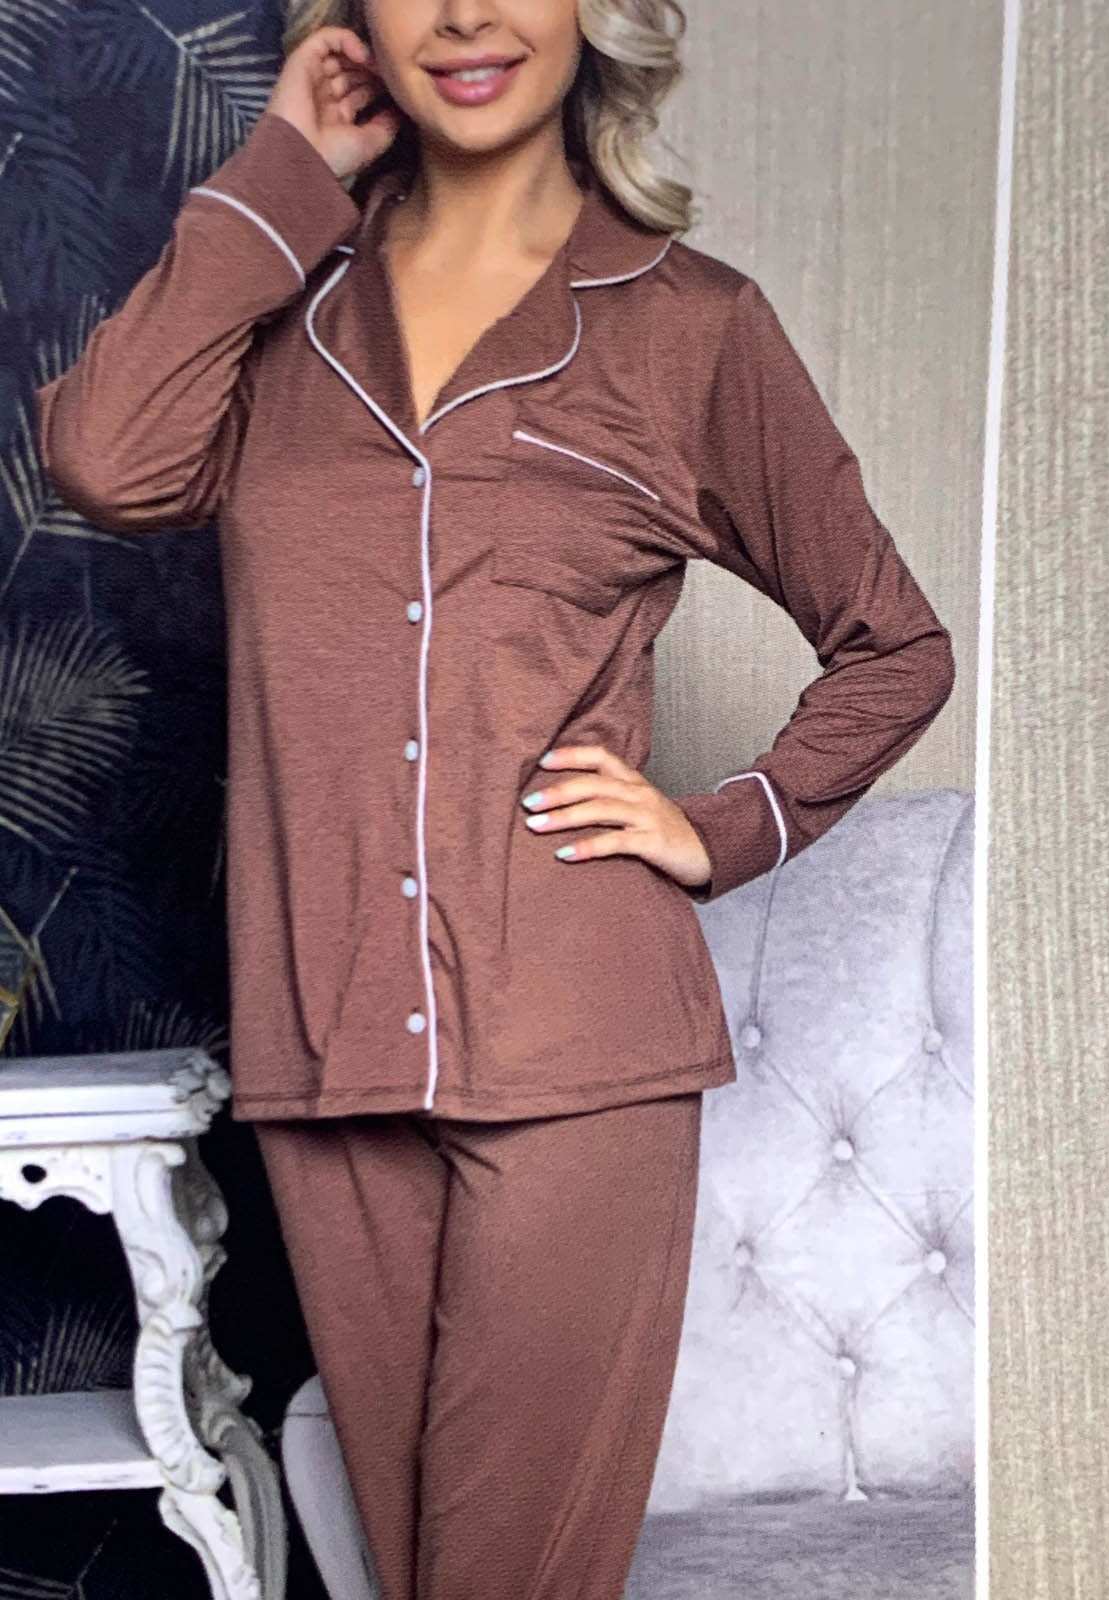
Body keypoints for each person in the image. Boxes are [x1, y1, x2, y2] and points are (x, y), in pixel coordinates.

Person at [35, 2, 956, 1596]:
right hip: (329, 1042)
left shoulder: (690, 328)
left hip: (576, 1045)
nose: (463, 13)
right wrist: (280, 172)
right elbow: (108, 460)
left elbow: (897, 645)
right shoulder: (281, 312)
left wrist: (721, 824)